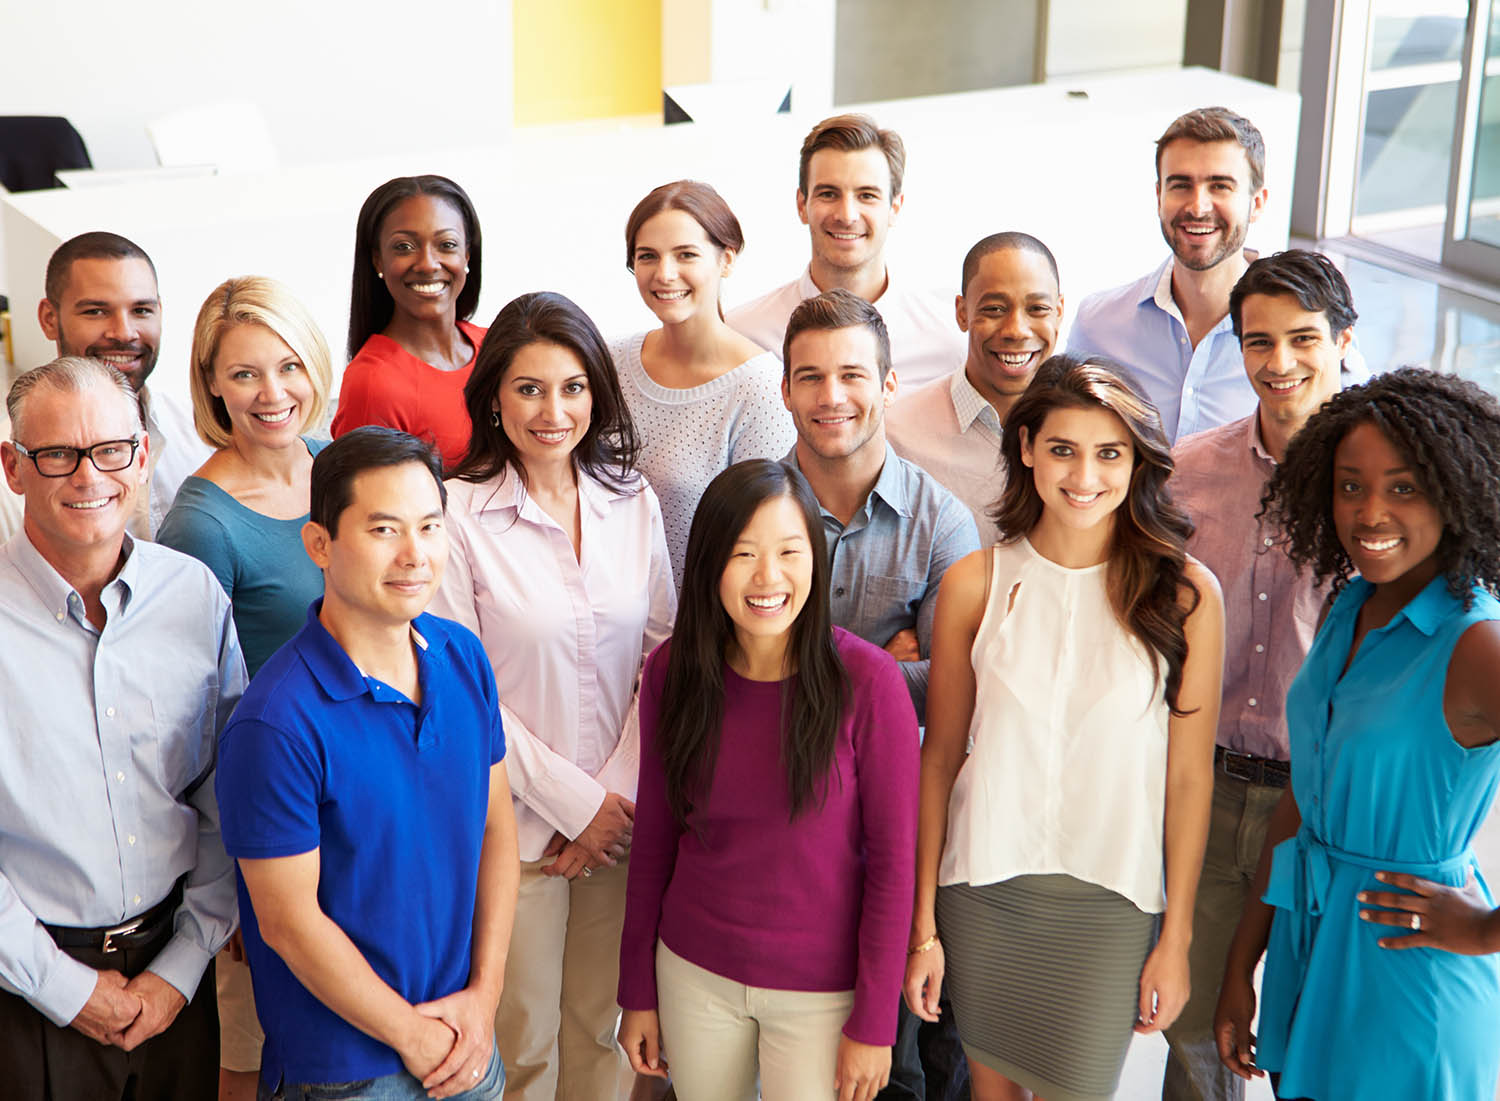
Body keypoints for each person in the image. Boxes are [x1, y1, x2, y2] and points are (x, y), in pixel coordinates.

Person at [905, 355, 1224, 1101]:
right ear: (1026, 450)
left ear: (1136, 459)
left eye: (1109, 452)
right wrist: (923, 925)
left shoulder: (1184, 595)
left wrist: (1175, 938)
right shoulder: (975, 583)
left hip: (1110, 904)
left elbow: (1188, 777)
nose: (1085, 475)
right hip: (982, 889)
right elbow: (940, 759)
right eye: (1062, 449)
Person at [1214, 369, 1500, 1101]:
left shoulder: (1476, 642)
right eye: (1350, 485)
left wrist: (1487, 930)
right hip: (1310, 951)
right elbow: (1301, 802)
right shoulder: (1352, 603)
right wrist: (1241, 965)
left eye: (1403, 487)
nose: (1370, 511)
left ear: (1454, 489)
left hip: (1409, 975)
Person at [216, 427, 519, 1100]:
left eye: (430, 526)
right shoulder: (275, 723)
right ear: (319, 544)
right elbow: (289, 925)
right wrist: (414, 1037)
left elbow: (496, 831)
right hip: (347, 1068)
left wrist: (484, 996)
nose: (415, 554)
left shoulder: (463, 657)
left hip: (465, 1035)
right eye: (384, 529)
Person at [429, 291, 675, 1101]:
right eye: (529, 387)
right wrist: (574, 801)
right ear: (493, 395)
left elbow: (661, 657)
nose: (553, 409)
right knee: (523, 1051)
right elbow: (460, 690)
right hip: (514, 833)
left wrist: (614, 799)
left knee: (605, 1042)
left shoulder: (631, 499)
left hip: (622, 827)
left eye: (572, 387)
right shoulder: (455, 515)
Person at [617, 458, 920, 1101]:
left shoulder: (868, 683)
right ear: (708, 565)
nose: (768, 578)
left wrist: (875, 1022)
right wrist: (636, 991)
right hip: (694, 973)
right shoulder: (674, 672)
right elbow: (654, 844)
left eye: (789, 552)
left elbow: (895, 867)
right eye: (743, 554)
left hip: (823, 993)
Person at [0, 356, 246, 1099]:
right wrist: (66, 988)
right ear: (13, 467)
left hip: (177, 975)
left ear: (142, 457)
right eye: (57, 456)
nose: (88, 476)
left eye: (111, 450)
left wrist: (181, 966)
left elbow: (223, 794)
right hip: (26, 991)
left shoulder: (193, 595)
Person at [1163, 249, 1359, 1101]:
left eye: (1304, 339)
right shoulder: (1188, 468)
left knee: (1313, 1039)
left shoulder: (1380, 483)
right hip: (1206, 784)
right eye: (1258, 341)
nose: (1279, 363)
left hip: (1325, 799)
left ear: (1344, 340)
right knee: (1199, 1033)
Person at [155, 275, 334, 1098]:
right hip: (269, 822)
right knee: (254, 1051)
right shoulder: (202, 521)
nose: (273, 393)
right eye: (245, 374)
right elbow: (187, 715)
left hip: (354, 802)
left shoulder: (341, 466)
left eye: (288, 366)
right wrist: (226, 872)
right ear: (211, 385)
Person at [611, 179, 795, 585]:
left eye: (686, 255)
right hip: (604, 619)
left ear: (726, 260)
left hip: (700, 629)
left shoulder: (759, 390)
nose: (665, 273)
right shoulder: (609, 362)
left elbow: (766, 540)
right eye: (648, 256)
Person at [1067, 107, 1281, 443]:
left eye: (1220, 186)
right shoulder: (1096, 326)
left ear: (1257, 203)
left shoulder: (1302, 338)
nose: (1198, 206)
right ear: (1159, 196)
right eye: (1181, 185)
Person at [728, 114, 963, 390]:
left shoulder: (950, 343)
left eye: (867, 195)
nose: (847, 215)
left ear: (894, 208)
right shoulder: (742, 338)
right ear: (802, 204)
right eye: (828, 194)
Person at [887, 232, 1063, 545]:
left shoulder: (1093, 432)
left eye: (1037, 309)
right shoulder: (897, 437)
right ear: (962, 312)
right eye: (995, 309)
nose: (1016, 331)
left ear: (1059, 312)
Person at [37, 231, 213, 535]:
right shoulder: (14, 462)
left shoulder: (200, 433)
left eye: (141, 310)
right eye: (96, 311)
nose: (124, 332)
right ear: (50, 319)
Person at [331, 174, 485, 468]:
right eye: (404, 247)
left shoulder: (498, 347)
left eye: (447, 244)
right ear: (378, 260)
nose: (428, 263)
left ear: (467, 253)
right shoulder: (373, 384)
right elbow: (366, 507)